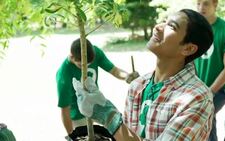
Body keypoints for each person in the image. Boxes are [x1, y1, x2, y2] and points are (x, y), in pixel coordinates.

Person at [73, 9, 215, 140]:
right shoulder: (138, 86)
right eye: (164, 21)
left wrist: (109, 117)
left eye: (171, 26)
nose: (159, 27)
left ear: (188, 48)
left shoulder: (197, 99)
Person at [56, 38, 139, 140]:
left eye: (89, 64)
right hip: (78, 116)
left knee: (118, 135)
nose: (86, 67)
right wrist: (71, 135)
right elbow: (65, 110)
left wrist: (127, 77)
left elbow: (114, 70)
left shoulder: (95, 52)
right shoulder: (63, 75)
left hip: (97, 108)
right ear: (72, 57)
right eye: (81, 65)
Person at [194, 0, 225, 140]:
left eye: (206, 3)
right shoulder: (194, 29)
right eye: (198, 3)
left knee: (205, 112)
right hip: (200, 87)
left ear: (215, 5)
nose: (201, 7)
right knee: (204, 117)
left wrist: (210, 92)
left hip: (222, 87)